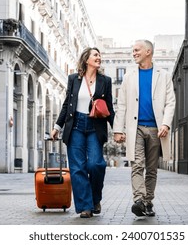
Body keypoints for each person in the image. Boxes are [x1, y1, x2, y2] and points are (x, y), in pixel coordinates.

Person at [50, 47, 114, 218]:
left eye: (100, 55)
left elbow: (109, 108)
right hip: (75, 125)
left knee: (95, 164)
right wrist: (57, 127)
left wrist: (118, 130)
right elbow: (67, 104)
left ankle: (95, 199)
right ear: (86, 59)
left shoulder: (105, 81)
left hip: (95, 125)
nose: (99, 57)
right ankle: (85, 207)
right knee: (77, 168)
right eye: (95, 55)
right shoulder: (74, 79)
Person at [113, 39, 174, 217]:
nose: (134, 53)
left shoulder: (163, 75)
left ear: (148, 51)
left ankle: (148, 202)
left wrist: (166, 123)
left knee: (152, 168)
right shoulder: (128, 76)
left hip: (156, 128)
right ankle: (139, 200)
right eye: (133, 51)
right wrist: (118, 129)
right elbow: (122, 104)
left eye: (137, 50)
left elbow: (171, 102)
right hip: (136, 128)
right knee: (137, 164)